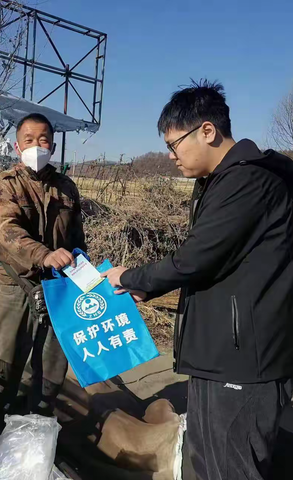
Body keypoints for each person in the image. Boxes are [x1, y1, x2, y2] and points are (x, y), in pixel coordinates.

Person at [102, 80, 293, 480]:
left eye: (175, 144)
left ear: (208, 130)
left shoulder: (249, 181)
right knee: (206, 459)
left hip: (244, 363)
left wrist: (132, 277)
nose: (171, 156)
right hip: (219, 352)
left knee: (231, 465)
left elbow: (196, 258)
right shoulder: (218, 181)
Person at [0, 113, 86, 433]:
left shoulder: (66, 186)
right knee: (7, 355)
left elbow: (77, 239)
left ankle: (37, 424)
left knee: (54, 359)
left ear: (52, 146)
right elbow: (7, 232)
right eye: (29, 140)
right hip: (17, 283)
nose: (36, 146)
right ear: (17, 146)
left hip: (60, 285)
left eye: (43, 140)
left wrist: (90, 279)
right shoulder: (5, 184)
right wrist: (44, 255)